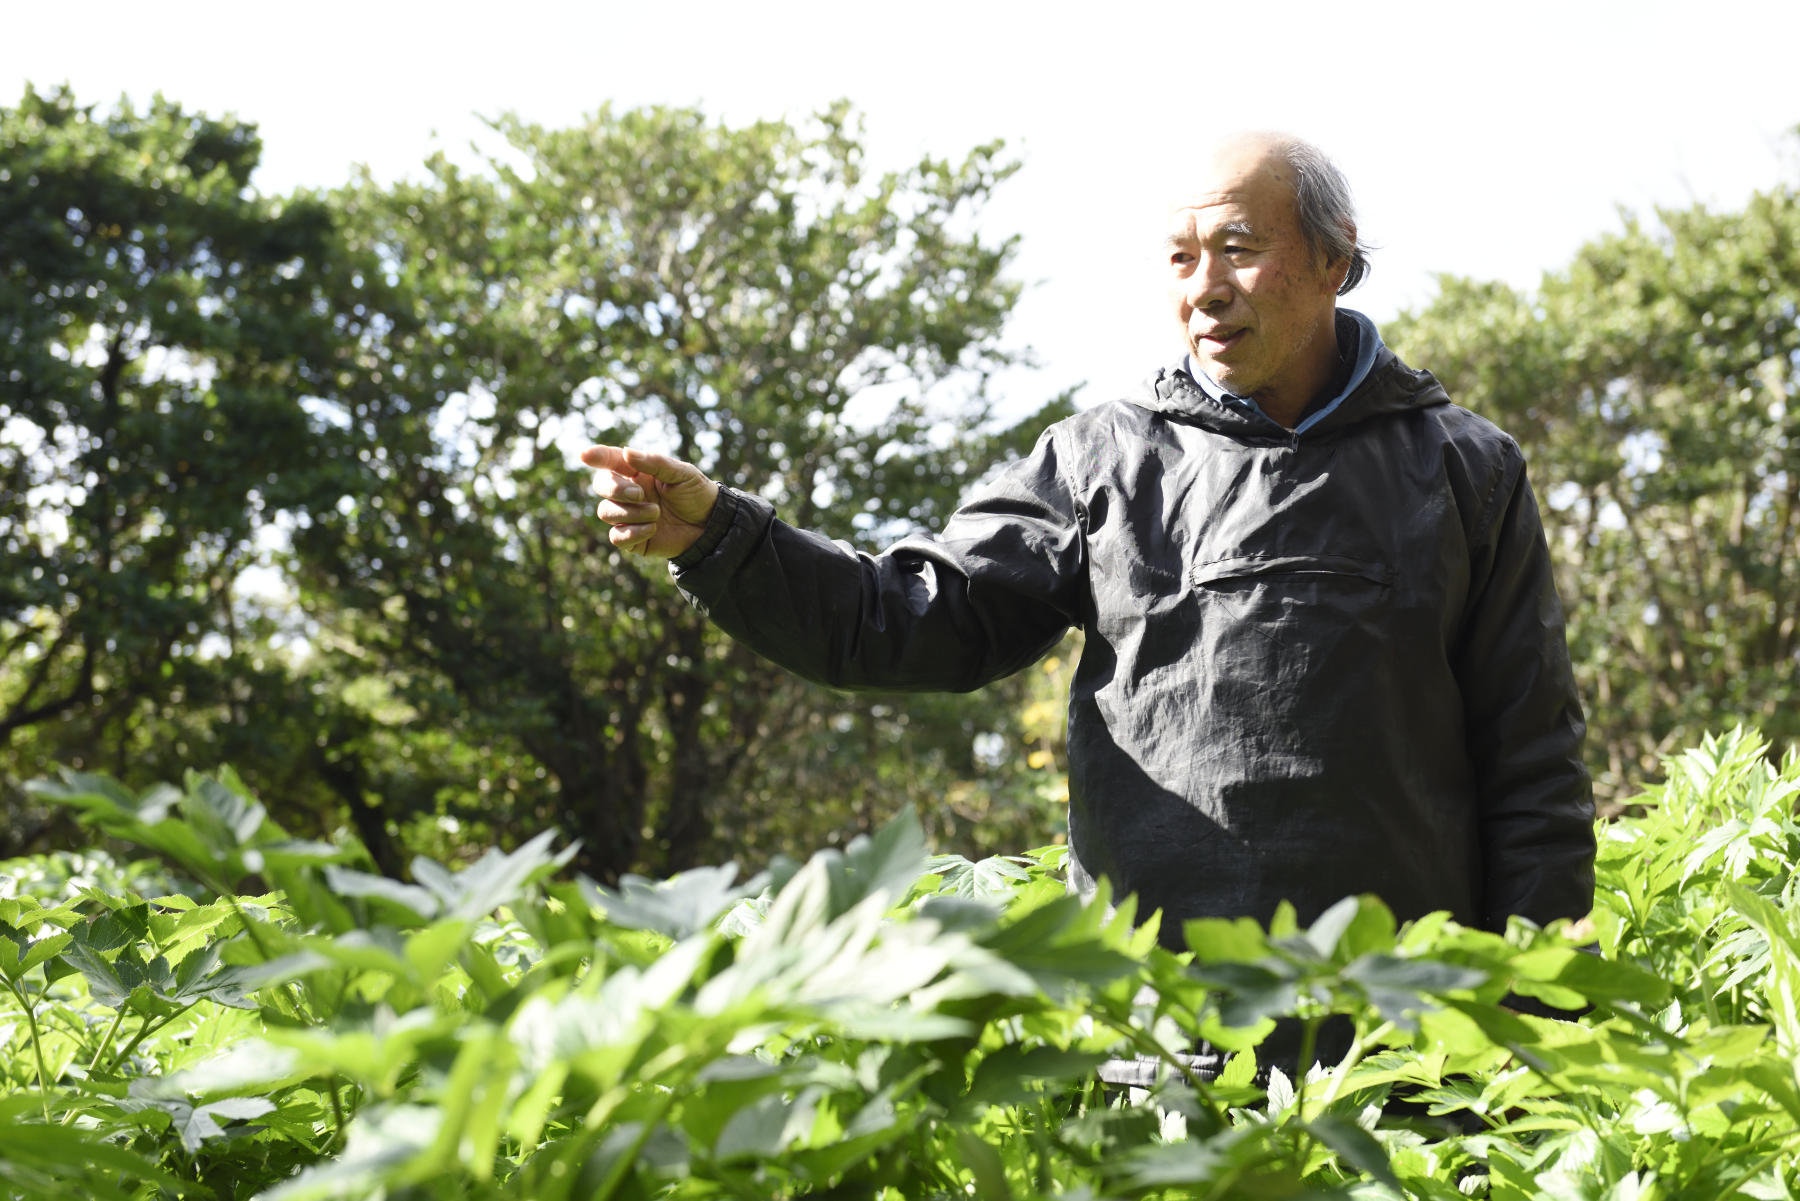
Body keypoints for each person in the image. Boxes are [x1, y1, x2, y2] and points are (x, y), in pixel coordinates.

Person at [580, 132, 1596, 969]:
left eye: (1240, 247)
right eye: (1180, 257)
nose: (1207, 287)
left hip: (1407, 1040)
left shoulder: (1467, 470)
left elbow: (1533, 766)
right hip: (1161, 1039)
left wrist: (1533, 1023)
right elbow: (903, 619)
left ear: (1336, 258)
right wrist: (720, 536)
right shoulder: (1103, 461)